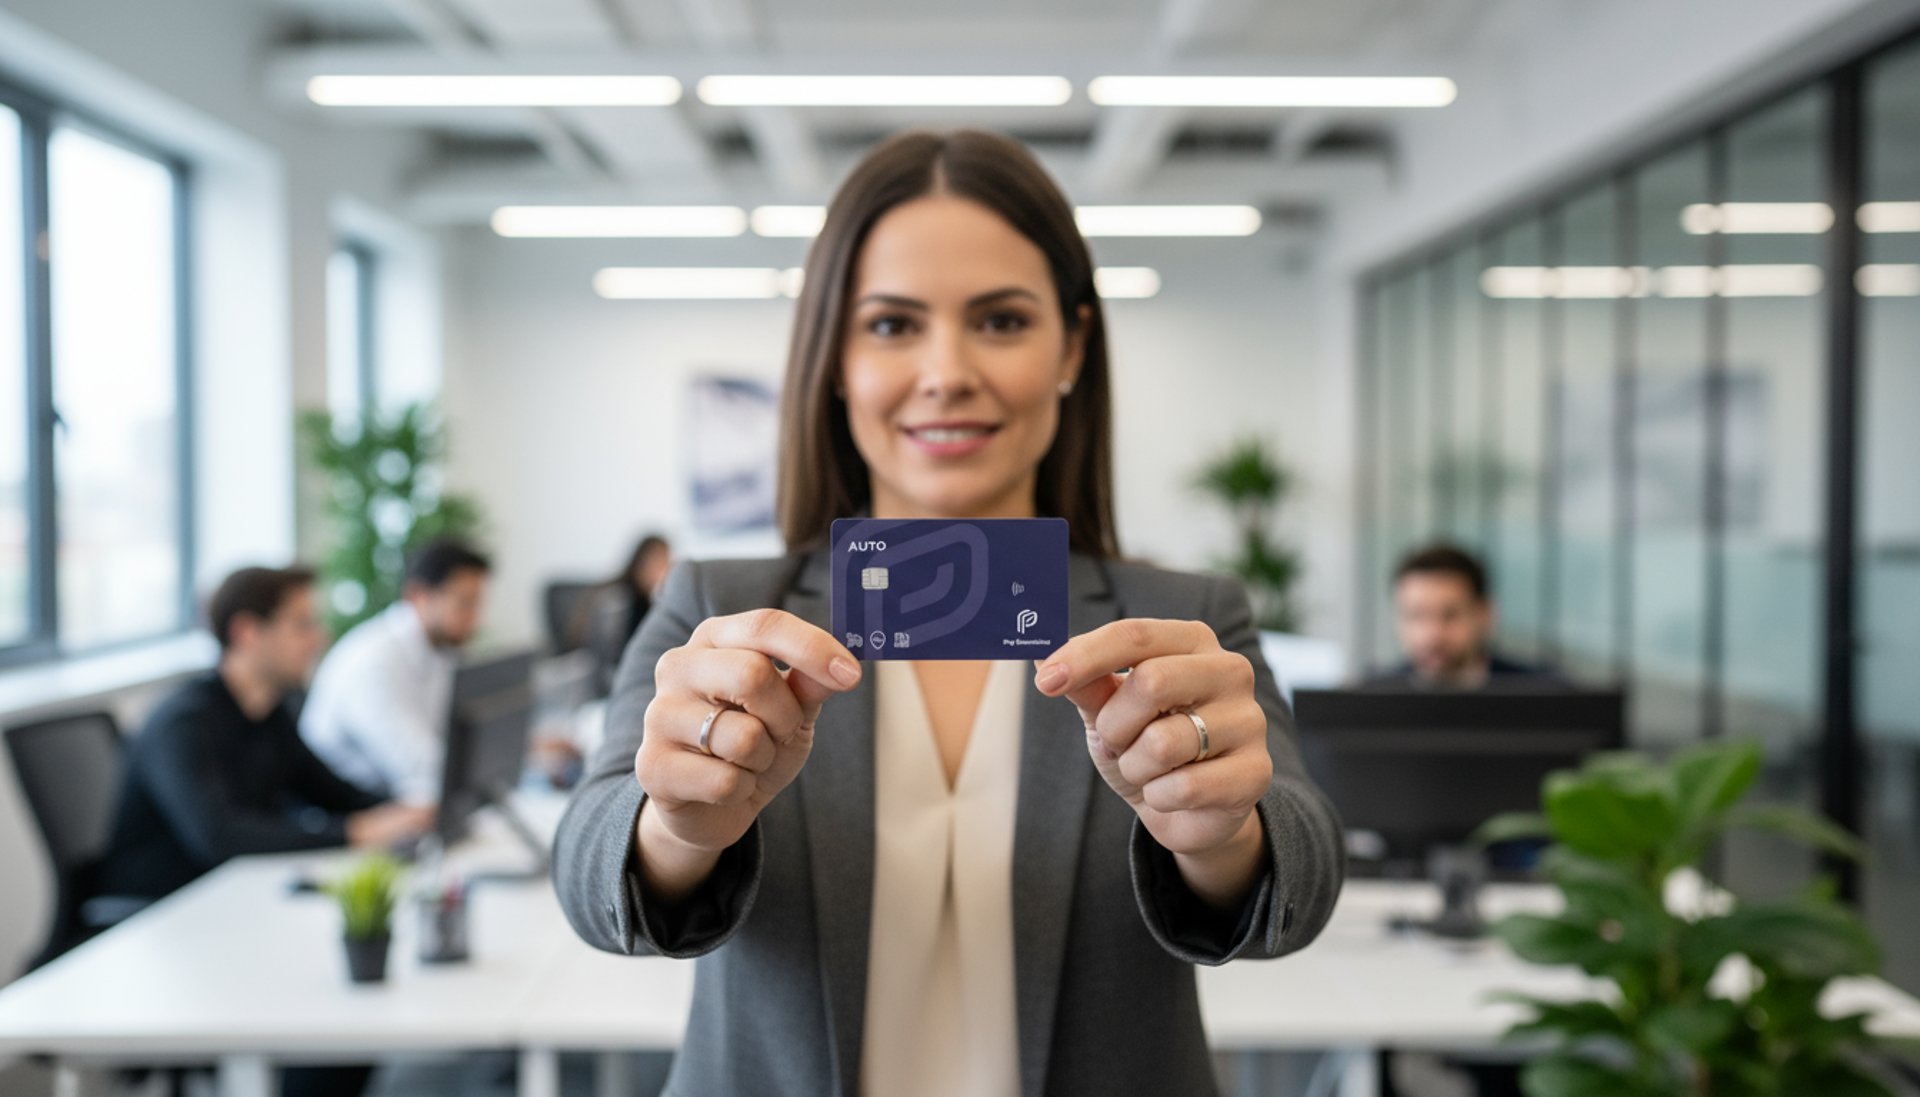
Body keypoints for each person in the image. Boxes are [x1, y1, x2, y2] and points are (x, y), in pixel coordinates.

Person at [552, 129, 1345, 1097]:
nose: (947, 370)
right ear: (834, 358)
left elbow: (1301, 873)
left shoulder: (1183, 620)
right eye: (891, 325)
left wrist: (1221, 833)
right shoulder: (723, 610)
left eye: (1002, 320)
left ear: (1073, 347)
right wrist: (678, 827)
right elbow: (590, 871)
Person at [300, 539, 491, 805]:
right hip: (349, 812)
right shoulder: (372, 662)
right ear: (418, 595)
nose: (476, 619)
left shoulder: (441, 650)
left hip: (393, 804)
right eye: (465, 603)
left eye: (478, 604)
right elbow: (422, 766)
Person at [1368, 543, 1557, 689]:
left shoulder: (1547, 696)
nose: (1433, 633)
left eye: (1450, 615)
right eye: (1416, 616)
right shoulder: (1366, 703)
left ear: (1485, 614)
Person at [573, 533, 672, 694]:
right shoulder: (619, 601)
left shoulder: (641, 599)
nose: (666, 572)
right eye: (662, 563)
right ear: (643, 562)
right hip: (610, 690)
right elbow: (616, 662)